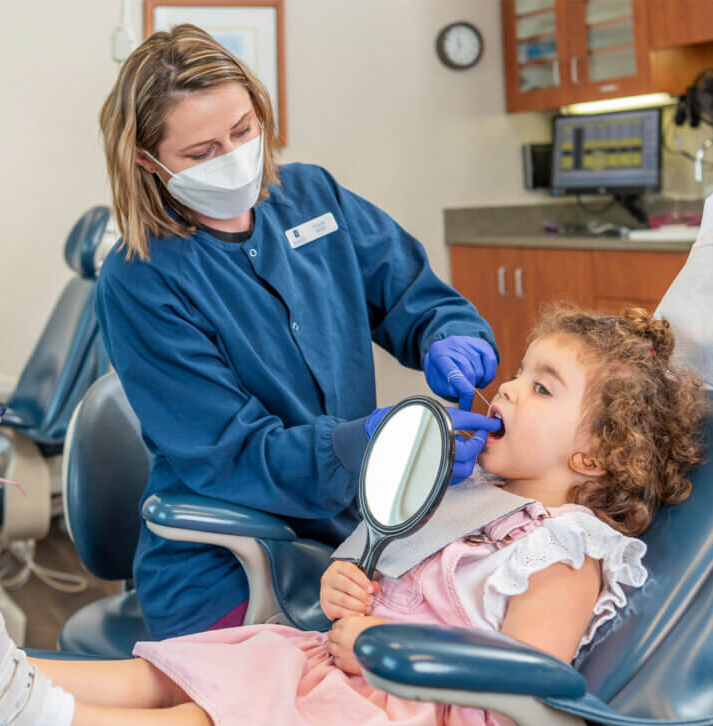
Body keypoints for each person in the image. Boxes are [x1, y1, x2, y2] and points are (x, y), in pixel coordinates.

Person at [0, 304, 706, 726]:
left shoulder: (567, 549)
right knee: (176, 676)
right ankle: (8, 678)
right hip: (351, 667)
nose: (510, 390)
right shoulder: (478, 500)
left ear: (595, 457)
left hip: (422, 720)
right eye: (518, 373)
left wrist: (375, 642)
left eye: (541, 387)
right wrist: (351, 588)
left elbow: (521, 676)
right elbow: (396, 576)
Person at [95, 24, 501, 640]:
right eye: (200, 153)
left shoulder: (312, 196)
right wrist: (366, 447)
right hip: (228, 560)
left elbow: (412, 297)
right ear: (147, 162)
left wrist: (451, 334)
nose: (231, 158)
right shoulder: (140, 279)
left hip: (356, 538)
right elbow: (233, 454)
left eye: (242, 131)